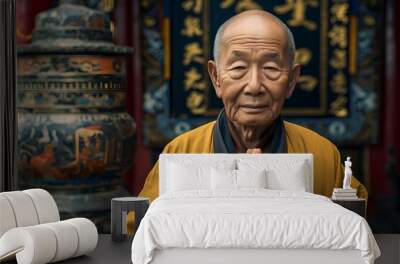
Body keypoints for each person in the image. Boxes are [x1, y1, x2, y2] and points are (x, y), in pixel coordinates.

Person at [139, 10, 367, 202]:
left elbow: (352, 234)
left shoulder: (323, 156)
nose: (255, 86)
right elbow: (141, 234)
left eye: (270, 68)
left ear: (292, 80)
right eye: (238, 68)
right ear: (216, 77)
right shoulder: (181, 153)